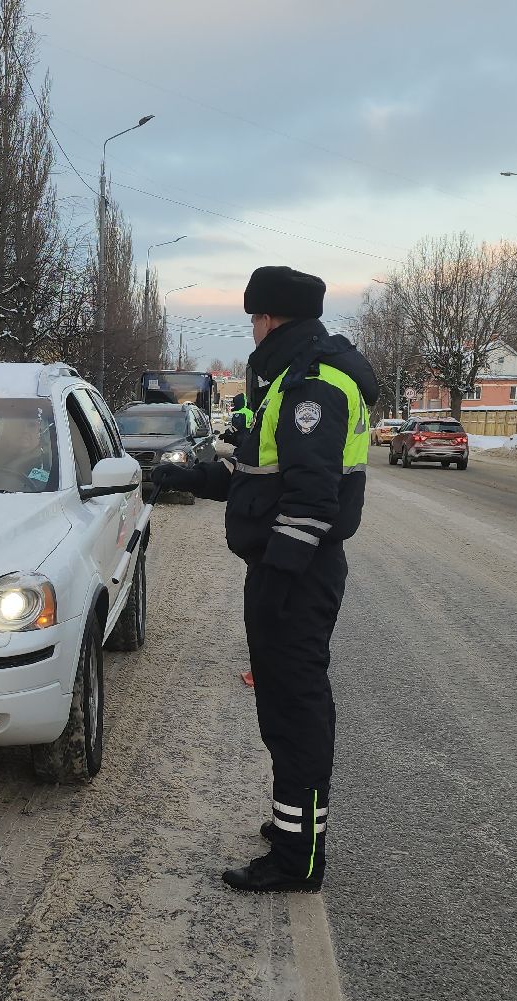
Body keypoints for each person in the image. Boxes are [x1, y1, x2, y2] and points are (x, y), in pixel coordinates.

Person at [150, 265, 377, 893]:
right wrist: (198, 479)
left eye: (255, 318)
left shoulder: (312, 386)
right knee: (281, 705)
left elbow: (310, 500)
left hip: (298, 573)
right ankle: (291, 830)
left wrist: (278, 579)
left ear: (271, 318)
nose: (252, 330)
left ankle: (298, 859)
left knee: (295, 710)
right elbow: (264, 480)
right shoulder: (287, 377)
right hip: (288, 568)